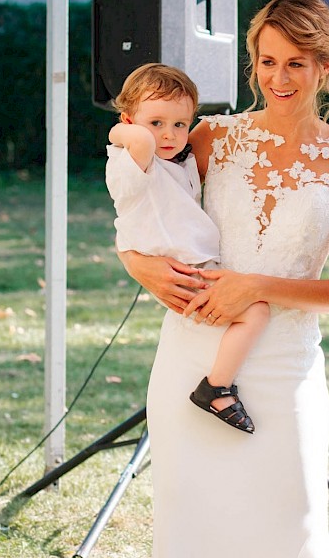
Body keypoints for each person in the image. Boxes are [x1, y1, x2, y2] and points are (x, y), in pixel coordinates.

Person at [118, 0, 329, 558]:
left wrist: (254, 287)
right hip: (192, 354)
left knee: (288, 525)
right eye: (266, 61)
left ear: (324, 66)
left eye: (296, 62)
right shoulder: (210, 137)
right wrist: (136, 265)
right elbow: (141, 203)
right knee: (193, 528)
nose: (279, 77)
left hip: (283, 367)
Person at [106, 62, 266, 435]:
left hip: (193, 265)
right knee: (255, 311)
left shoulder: (174, 161)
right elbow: (140, 142)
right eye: (156, 122)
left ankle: (218, 383)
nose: (169, 134)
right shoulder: (130, 160)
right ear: (130, 122)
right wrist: (120, 131)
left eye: (180, 124)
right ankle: (217, 387)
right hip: (184, 273)